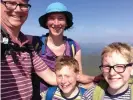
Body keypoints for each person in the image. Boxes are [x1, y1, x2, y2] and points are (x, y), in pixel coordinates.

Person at [26, 2, 100, 99]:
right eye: (52, 18)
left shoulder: (73, 46)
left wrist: (95, 78)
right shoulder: (36, 43)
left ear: (66, 23)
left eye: (61, 18)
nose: (56, 23)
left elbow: (77, 75)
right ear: (46, 22)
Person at [0, 0, 58, 99]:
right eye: (10, 3)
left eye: (23, 5)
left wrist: (91, 79)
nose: (18, 9)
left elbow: (51, 77)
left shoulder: (26, 45)